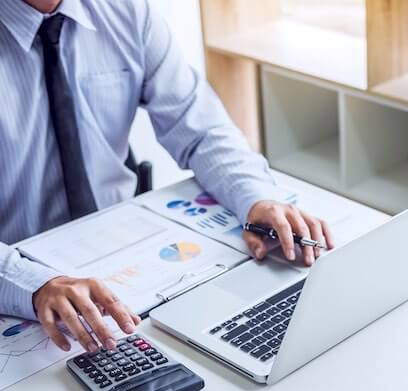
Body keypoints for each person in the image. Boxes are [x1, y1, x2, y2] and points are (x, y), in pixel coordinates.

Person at [0, 0, 333, 353]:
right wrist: (33, 284)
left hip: (122, 260)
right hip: (16, 278)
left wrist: (255, 197)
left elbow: (201, 129)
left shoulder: (125, 11)